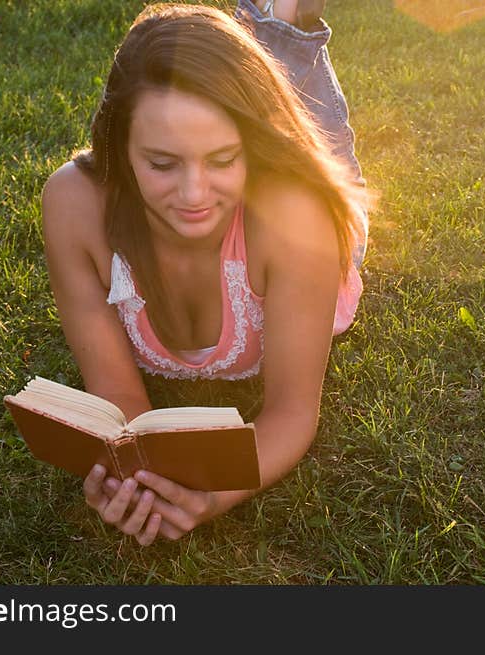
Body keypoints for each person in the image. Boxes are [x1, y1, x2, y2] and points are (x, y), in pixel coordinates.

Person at [40, 0, 371, 545]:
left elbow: (290, 412)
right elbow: (117, 392)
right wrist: (138, 479)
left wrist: (213, 496)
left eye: (221, 159)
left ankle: (281, 21)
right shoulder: (75, 203)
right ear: (120, 147)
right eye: (163, 163)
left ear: (249, 150)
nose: (194, 195)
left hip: (300, 232)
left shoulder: (296, 218)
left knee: (325, 154)